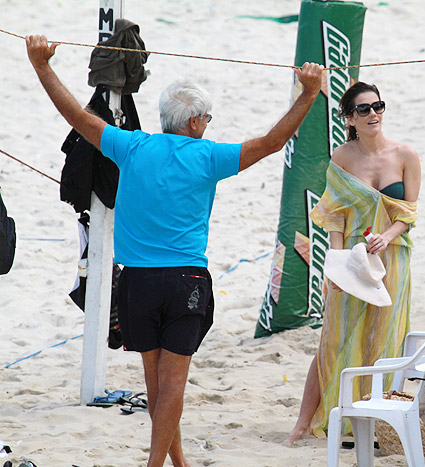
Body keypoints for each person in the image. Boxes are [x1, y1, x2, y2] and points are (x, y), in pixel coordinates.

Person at [26, 34, 323, 467]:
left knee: (156, 386)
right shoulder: (207, 155)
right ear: (196, 122)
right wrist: (309, 93)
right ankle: (156, 465)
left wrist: (41, 66)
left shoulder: (132, 146)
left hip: (136, 283)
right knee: (173, 387)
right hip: (184, 280)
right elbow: (273, 141)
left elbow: (74, 114)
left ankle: (178, 461)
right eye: (207, 118)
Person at [284, 82, 421, 445]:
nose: (373, 114)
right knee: (334, 337)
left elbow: (408, 213)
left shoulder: (405, 155)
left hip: (392, 259)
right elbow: (335, 218)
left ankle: (372, 422)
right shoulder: (342, 157)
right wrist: (337, 267)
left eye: (378, 106)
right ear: (349, 118)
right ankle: (304, 421)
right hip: (352, 261)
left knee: (384, 338)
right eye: (364, 109)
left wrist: (387, 237)